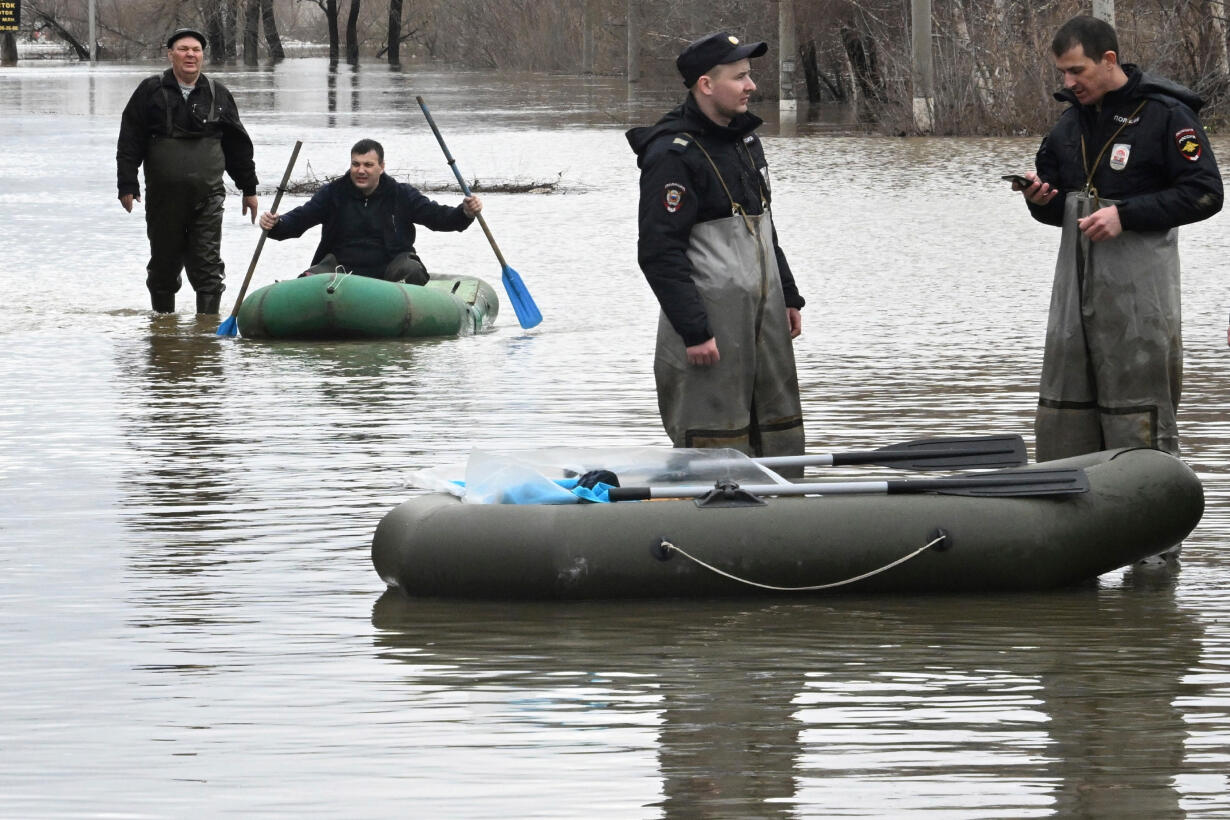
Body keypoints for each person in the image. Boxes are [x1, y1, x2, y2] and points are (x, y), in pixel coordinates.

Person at [1013, 15, 1221, 468]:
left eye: (1077, 71)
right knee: (1065, 423)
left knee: (1138, 426)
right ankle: (1069, 527)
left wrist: (1126, 215)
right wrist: (1039, 199)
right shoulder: (1068, 127)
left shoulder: (1166, 116)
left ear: (1108, 60)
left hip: (1138, 308)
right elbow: (1058, 210)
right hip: (1073, 306)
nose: (1069, 82)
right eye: (1063, 73)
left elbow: (1206, 194)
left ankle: (1153, 528)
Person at [625, 32, 805, 462]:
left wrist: (789, 295)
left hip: (764, 319)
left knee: (780, 433)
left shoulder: (744, 140)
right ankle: (711, 527)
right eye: (740, 77)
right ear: (706, 85)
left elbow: (764, 227)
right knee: (715, 444)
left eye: (750, 76)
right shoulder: (672, 154)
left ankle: (786, 521)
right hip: (709, 330)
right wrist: (695, 331)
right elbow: (658, 250)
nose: (751, 86)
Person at [117, 27, 259, 315]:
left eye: (196, 50)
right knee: (163, 266)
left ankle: (205, 336)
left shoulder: (218, 93)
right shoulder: (150, 90)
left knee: (207, 266)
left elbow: (237, 146)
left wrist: (249, 189)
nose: (190, 55)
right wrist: (127, 185)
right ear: (171, 54)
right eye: (183, 49)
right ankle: (162, 332)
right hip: (163, 198)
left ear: (202, 56)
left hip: (208, 197)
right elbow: (130, 141)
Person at [259, 139, 482, 284]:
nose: (361, 170)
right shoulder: (333, 193)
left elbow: (438, 218)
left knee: (412, 271)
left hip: (390, 270)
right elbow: (300, 219)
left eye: (368, 165)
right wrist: (276, 225)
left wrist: (465, 213)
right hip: (341, 270)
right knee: (309, 280)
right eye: (356, 164)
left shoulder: (400, 194)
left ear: (381, 166)